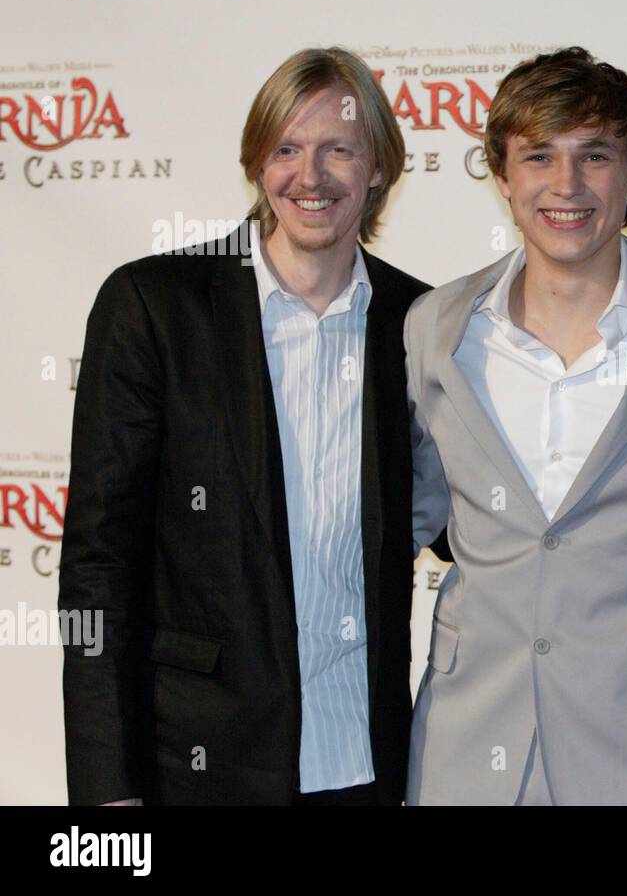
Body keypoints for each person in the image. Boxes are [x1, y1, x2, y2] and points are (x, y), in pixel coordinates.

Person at [60, 47, 431, 805]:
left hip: (367, 764)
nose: (311, 175)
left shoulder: (421, 323)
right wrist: (106, 790)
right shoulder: (154, 308)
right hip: (197, 768)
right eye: (287, 149)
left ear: (379, 168)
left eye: (339, 149)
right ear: (257, 164)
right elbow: (99, 568)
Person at [403, 47, 627, 805]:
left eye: (594, 155)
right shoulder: (436, 329)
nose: (566, 185)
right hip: (467, 746)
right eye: (538, 157)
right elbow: (412, 514)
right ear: (502, 176)